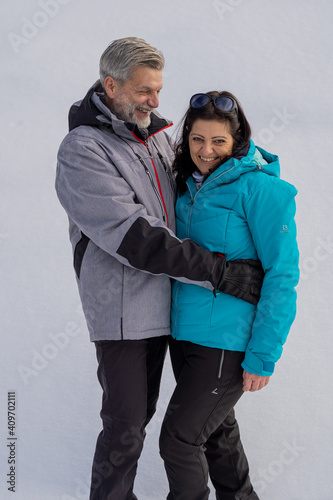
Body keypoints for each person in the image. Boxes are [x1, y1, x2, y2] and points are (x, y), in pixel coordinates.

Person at [55, 39, 264, 500]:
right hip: (125, 316)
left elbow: (211, 158)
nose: (154, 101)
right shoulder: (83, 150)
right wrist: (217, 270)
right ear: (111, 86)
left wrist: (251, 161)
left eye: (158, 90)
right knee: (126, 429)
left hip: (177, 307)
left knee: (214, 423)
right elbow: (135, 236)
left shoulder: (155, 137)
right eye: (144, 91)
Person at [159, 91, 300, 500]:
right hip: (185, 336)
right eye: (197, 139)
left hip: (227, 341)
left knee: (179, 442)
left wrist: (263, 355)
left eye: (218, 141)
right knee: (217, 436)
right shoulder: (186, 186)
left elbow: (282, 276)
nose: (206, 151)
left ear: (237, 139)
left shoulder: (260, 190)